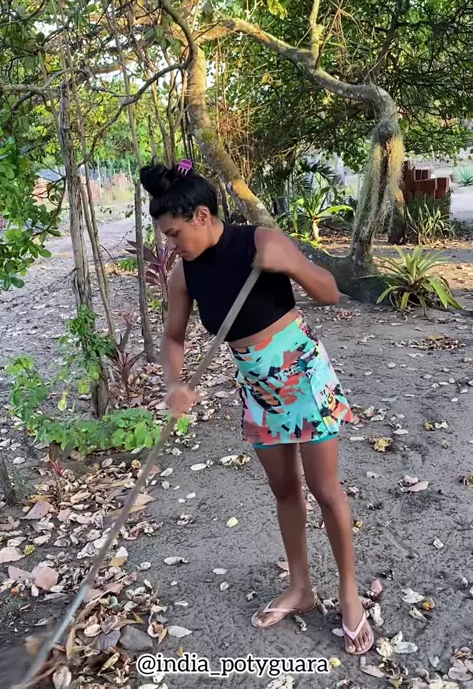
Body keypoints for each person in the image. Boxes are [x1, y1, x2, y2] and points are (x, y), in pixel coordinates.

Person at [139, 159, 374, 656]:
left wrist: (292, 264)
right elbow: (173, 337)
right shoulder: (185, 273)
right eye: (166, 236)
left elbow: (330, 294)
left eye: (175, 233)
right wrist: (174, 382)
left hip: (302, 376)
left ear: (202, 215)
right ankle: (301, 589)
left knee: (324, 489)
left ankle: (349, 593)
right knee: (284, 490)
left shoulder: (259, 242)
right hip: (257, 388)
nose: (172, 244)